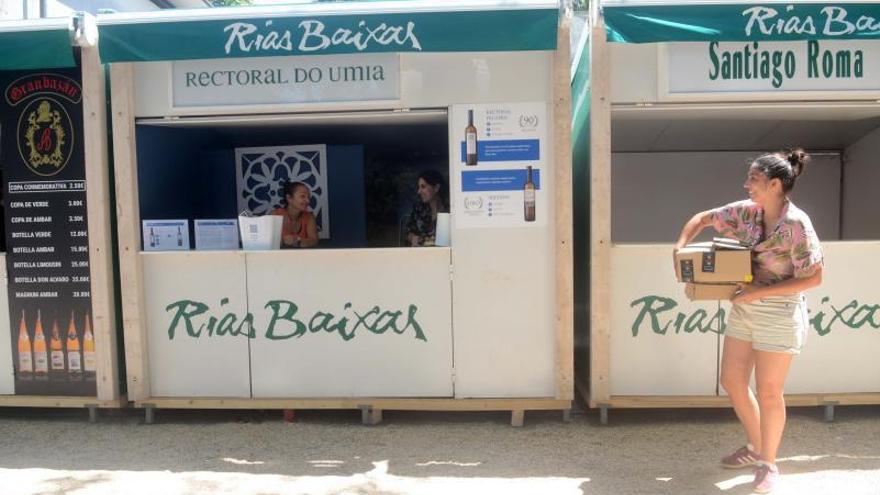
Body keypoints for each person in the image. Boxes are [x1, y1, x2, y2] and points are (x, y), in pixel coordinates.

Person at [674, 149, 823, 494]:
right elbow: (702, 218)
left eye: (754, 180)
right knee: (732, 380)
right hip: (746, 308)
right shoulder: (747, 213)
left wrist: (755, 293)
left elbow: (814, 278)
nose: (746, 185)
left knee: (769, 391)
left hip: (779, 312)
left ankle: (768, 464)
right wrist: (679, 249)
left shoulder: (797, 224)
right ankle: (758, 447)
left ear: (774, 184)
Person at [405, 170, 448, 247]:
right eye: (419, 187)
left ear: (436, 188)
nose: (419, 191)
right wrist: (412, 238)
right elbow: (409, 232)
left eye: (423, 187)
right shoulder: (419, 209)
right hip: (421, 254)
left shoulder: (449, 211)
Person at [271, 181, 318, 249]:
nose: (308, 201)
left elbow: (314, 240)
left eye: (308, 197)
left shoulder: (309, 217)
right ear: (289, 198)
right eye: (302, 196)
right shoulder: (275, 215)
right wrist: (282, 241)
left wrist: (296, 242)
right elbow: (268, 241)